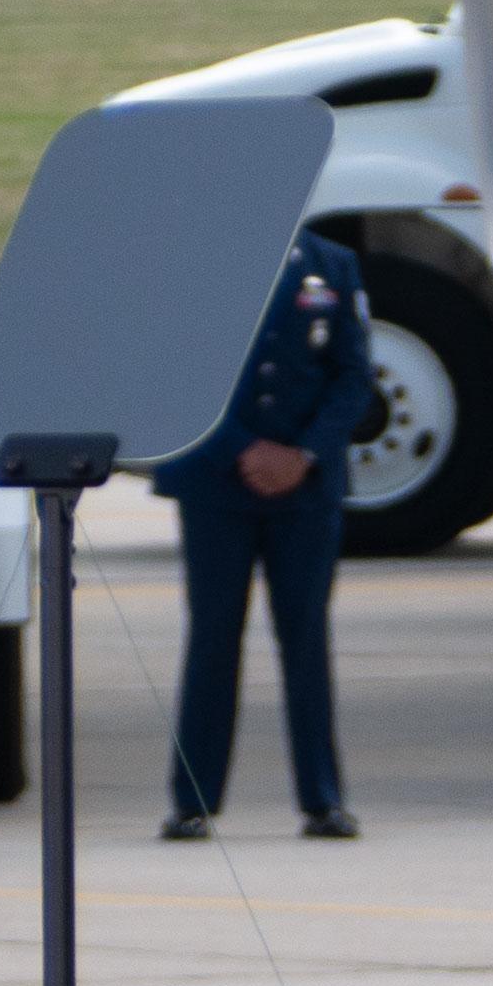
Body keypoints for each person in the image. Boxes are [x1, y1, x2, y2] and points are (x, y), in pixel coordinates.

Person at [153, 231, 376, 840]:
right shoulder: (195, 261)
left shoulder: (332, 265)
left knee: (305, 638)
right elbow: (175, 368)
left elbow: (353, 376)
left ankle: (322, 798)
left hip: (304, 488)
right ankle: (192, 799)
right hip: (216, 481)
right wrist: (242, 449)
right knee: (213, 639)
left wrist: (303, 453)